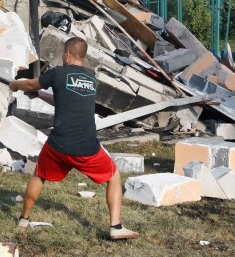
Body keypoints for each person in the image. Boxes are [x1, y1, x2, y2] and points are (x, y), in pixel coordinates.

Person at [8, 37, 139, 241]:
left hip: (58, 145)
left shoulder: (57, 73)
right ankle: (116, 226)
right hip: (87, 147)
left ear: (67, 54)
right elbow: (67, 100)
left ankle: (23, 219)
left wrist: (15, 84)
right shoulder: (92, 79)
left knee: (39, 175)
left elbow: (30, 84)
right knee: (113, 176)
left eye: (63, 53)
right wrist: (41, 95)